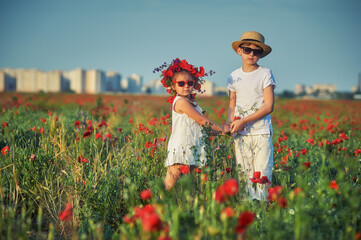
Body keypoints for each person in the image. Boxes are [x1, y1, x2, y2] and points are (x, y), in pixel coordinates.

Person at [154, 58, 230, 190]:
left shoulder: (192, 103)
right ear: (173, 86)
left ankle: (180, 207)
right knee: (172, 180)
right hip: (181, 146)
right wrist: (221, 127)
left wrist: (221, 131)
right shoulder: (180, 102)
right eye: (181, 83)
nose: (186, 86)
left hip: (193, 145)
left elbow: (202, 128)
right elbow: (202, 120)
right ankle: (161, 205)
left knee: (187, 185)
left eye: (190, 83)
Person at [226, 31, 275, 200]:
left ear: (261, 55)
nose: (252, 54)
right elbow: (232, 104)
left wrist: (243, 121)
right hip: (241, 133)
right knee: (244, 174)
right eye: (247, 50)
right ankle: (248, 212)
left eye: (257, 51)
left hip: (261, 132)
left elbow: (269, 106)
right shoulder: (233, 76)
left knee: (262, 174)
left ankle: (261, 210)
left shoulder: (265, 74)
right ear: (239, 51)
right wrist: (229, 124)